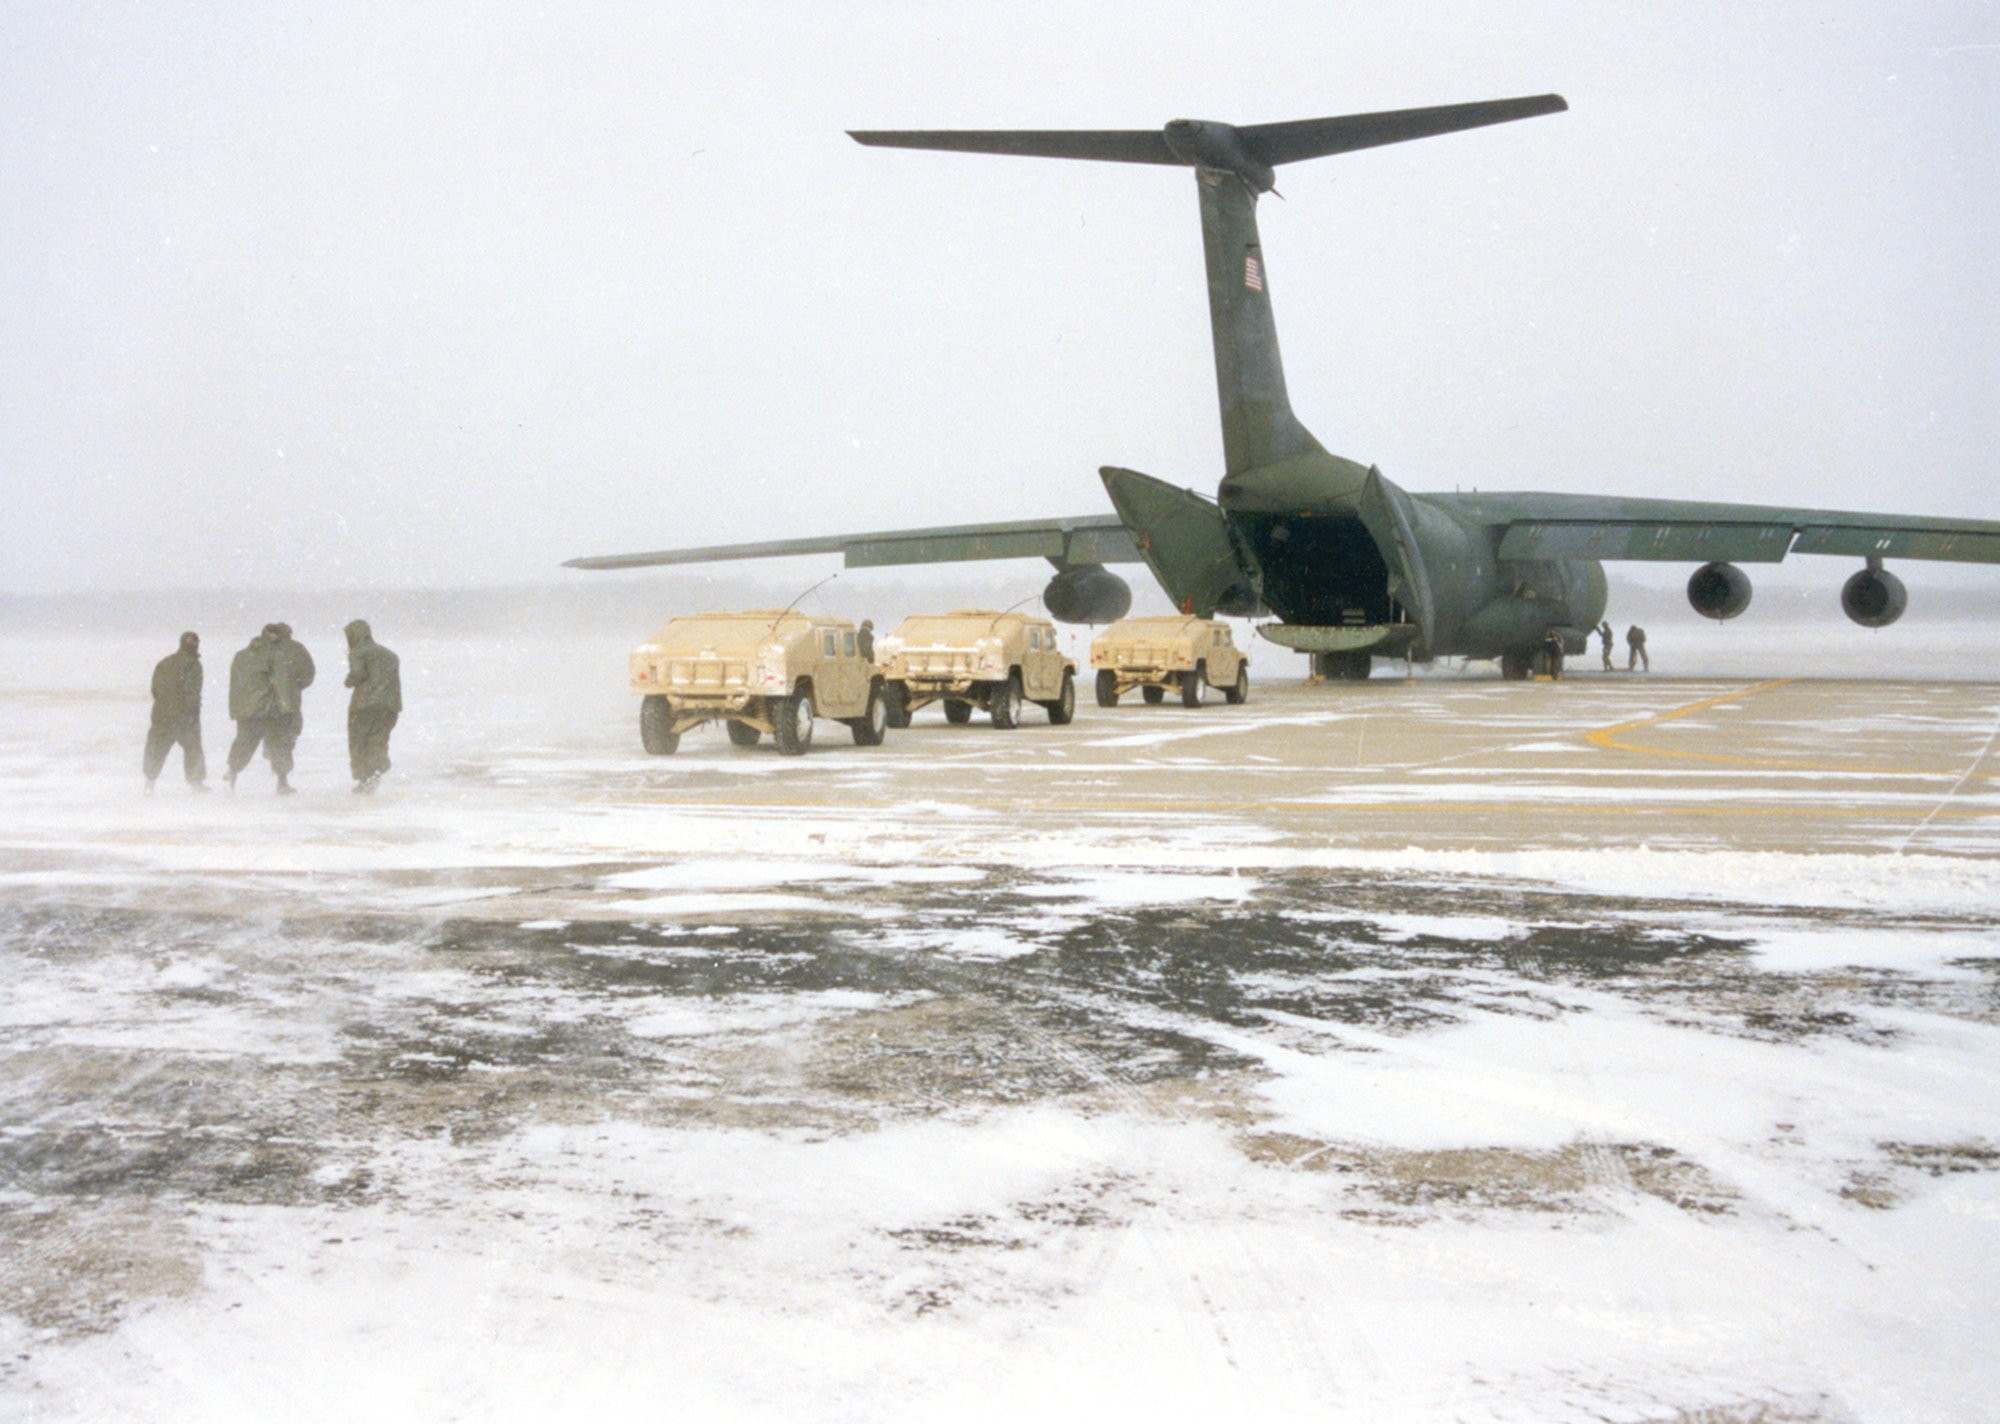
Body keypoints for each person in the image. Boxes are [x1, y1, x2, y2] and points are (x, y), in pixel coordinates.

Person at [226, 625, 309, 793]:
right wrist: (286, 708)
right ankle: (282, 782)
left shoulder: (241, 656)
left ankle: (232, 773)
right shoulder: (275, 656)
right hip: (270, 710)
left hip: (247, 711)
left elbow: (236, 684)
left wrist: (237, 709)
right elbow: (281, 683)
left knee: (244, 743)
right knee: (280, 745)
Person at [143, 632, 208, 792]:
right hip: (184, 717)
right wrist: (191, 713)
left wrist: (165, 704)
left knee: (157, 747)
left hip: (162, 713)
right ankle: (196, 783)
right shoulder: (193, 665)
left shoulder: (165, 663)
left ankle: (150, 781)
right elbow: (192, 692)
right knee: (193, 748)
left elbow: (155, 689)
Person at [343, 619, 401, 793]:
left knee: (359, 742)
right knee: (379, 741)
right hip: (390, 706)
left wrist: (348, 681)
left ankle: (363, 779)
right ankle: (376, 772)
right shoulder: (390, 654)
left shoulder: (358, 652)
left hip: (364, 705)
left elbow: (358, 674)